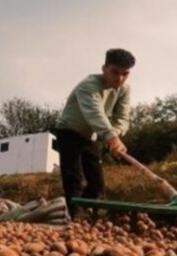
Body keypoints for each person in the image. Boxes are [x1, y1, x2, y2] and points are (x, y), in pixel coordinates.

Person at [54, 48, 134, 217]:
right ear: (104, 68)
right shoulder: (88, 86)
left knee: (97, 185)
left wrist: (116, 135)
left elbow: (123, 118)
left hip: (92, 136)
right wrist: (111, 136)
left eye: (125, 74)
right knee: (75, 179)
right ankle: (76, 219)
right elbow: (94, 113)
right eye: (115, 72)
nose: (119, 78)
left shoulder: (124, 89)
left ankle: (93, 219)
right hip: (69, 131)